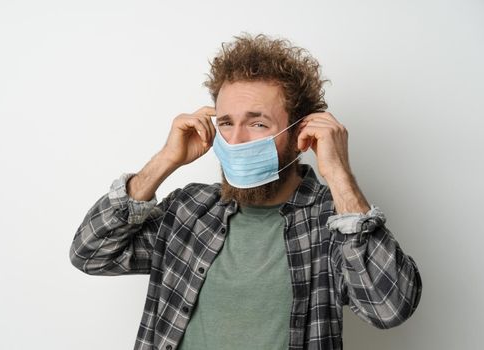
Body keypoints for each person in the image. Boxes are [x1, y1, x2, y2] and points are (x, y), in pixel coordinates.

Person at [69, 33, 422, 350]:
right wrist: (164, 161)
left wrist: (340, 175)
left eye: (257, 123)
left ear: (301, 135)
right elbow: (90, 253)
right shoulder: (189, 211)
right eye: (226, 123)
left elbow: (389, 308)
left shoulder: (334, 223)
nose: (235, 141)